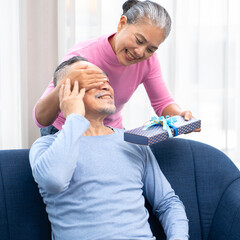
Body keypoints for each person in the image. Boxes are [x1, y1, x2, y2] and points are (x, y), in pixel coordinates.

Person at [29, 57, 189, 240]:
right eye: (91, 80)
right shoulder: (46, 146)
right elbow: (54, 181)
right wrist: (74, 117)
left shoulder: (134, 141)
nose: (104, 85)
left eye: (105, 80)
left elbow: (168, 203)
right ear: (65, 94)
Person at [33, 0, 200, 136]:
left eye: (151, 49)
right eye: (139, 40)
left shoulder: (149, 62)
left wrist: (180, 117)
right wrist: (66, 83)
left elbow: (162, 103)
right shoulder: (83, 56)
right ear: (122, 23)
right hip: (67, 131)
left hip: (111, 131)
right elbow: (40, 118)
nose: (140, 52)